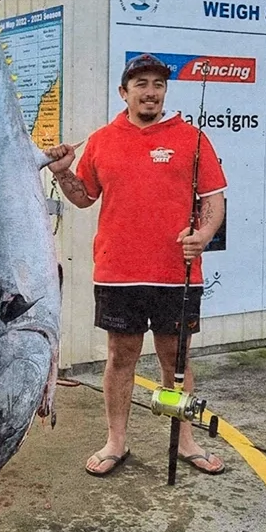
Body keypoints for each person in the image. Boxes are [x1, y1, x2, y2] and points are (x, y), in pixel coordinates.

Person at [44, 53, 228, 477]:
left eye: (158, 84)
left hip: (175, 273)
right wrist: (62, 173)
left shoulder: (193, 138)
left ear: (165, 91)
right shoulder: (103, 139)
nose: (150, 91)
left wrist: (201, 237)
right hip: (118, 271)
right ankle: (116, 441)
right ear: (123, 92)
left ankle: (185, 441)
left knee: (175, 359)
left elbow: (213, 200)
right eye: (141, 83)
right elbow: (83, 197)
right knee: (119, 356)